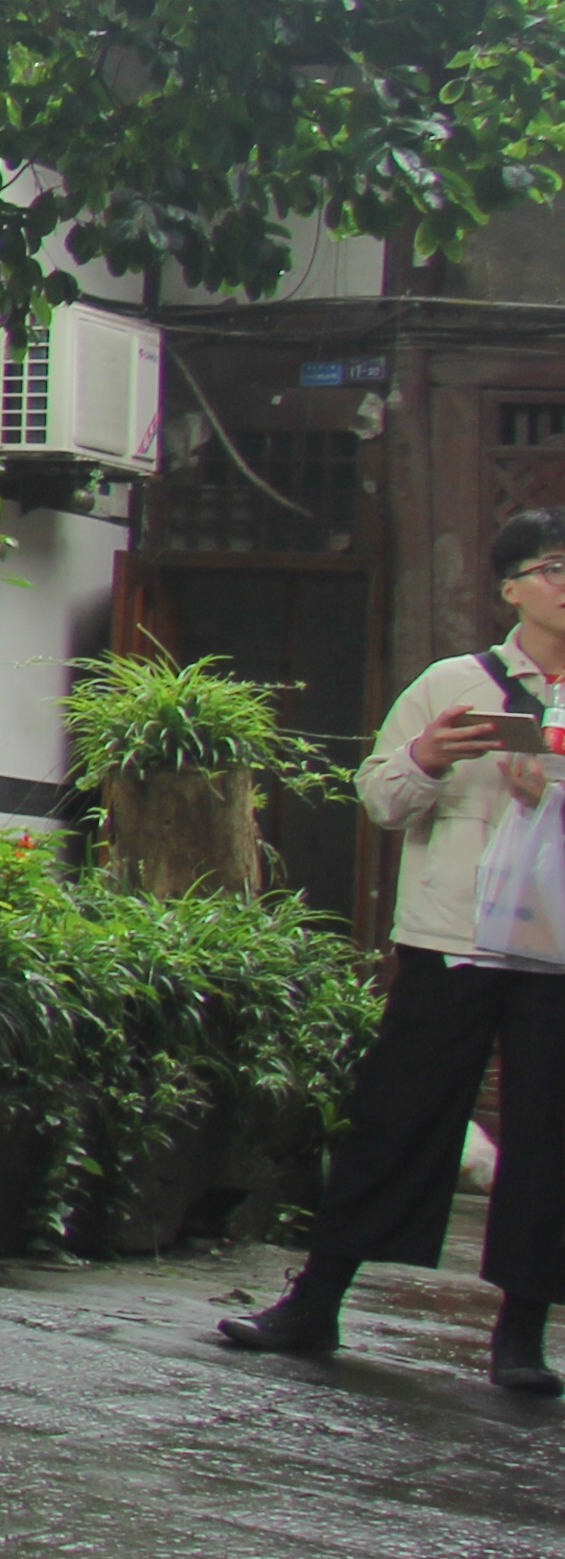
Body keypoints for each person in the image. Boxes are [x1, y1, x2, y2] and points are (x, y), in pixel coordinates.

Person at [216, 503, 565, 1397]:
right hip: (453, 939)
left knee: (549, 1137)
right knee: (396, 1114)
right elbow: (380, 800)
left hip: (558, 952)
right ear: (511, 588)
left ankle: (521, 1330)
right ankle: (315, 1300)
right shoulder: (456, 680)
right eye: (554, 569)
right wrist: (431, 755)